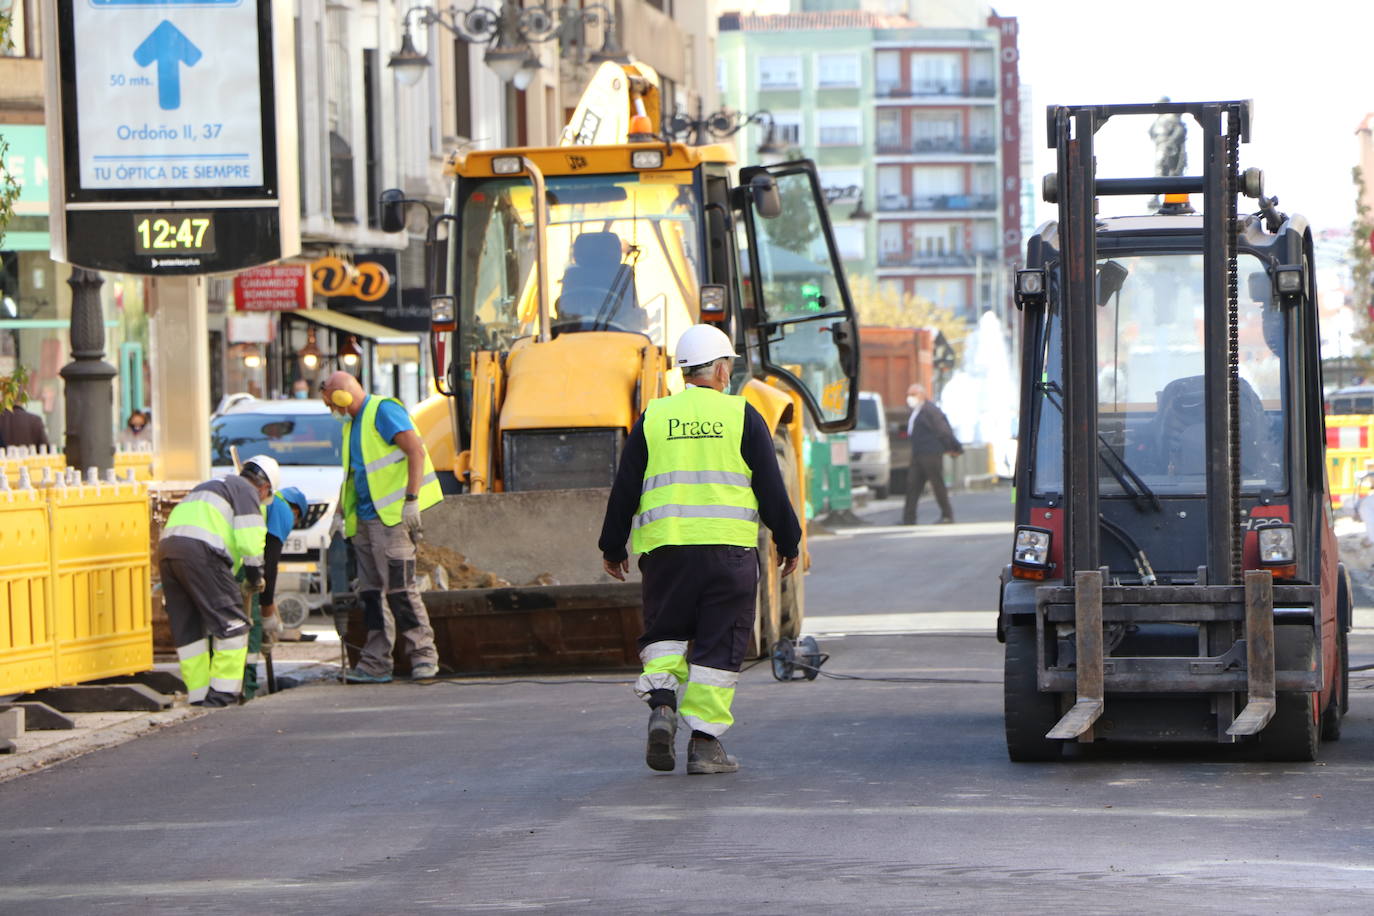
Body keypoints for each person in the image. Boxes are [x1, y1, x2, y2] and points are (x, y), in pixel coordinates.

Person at [598, 324, 802, 776]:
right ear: (723, 368)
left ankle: (664, 707)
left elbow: (624, 489)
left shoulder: (654, 417)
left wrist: (612, 548)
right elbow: (771, 488)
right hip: (728, 554)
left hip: (666, 553)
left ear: (684, 372)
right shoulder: (741, 414)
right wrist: (789, 542)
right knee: (718, 643)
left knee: (665, 635)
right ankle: (705, 746)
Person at [319, 370, 443, 683]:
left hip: (389, 519)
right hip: (363, 520)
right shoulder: (352, 426)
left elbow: (414, 450)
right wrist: (340, 514)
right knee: (371, 594)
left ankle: (424, 656)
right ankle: (376, 663)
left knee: (401, 590)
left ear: (342, 396)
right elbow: (354, 475)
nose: (333, 411)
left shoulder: (383, 411)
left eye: (332, 404)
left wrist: (411, 499)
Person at [158, 455, 278, 707]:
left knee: (189, 630)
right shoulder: (246, 491)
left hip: (170, 550)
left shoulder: (211, 485)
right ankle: (221, 697)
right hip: (203, 552)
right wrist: (256, 576)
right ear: (264, 487)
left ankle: (199, 697)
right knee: (233, 626)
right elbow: (250, 539)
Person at [243, 486, 309, 699]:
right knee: (251, 629)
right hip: (245, 571)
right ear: (296, 511)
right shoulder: (282, 509)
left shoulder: (267, 503)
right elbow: (270, 565)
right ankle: (247, 686)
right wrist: (267, 608)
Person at [901, 383, 962, 525]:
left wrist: (953, 447)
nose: (909, 398)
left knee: (937, 484)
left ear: (922, 395)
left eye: (913, 395)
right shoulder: (916, 410)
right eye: (908, 395)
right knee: (912, 485)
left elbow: (943, 431)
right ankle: (909, 518)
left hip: (931, 454)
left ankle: (947, 515)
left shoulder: (930, 410)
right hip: (918, 453)